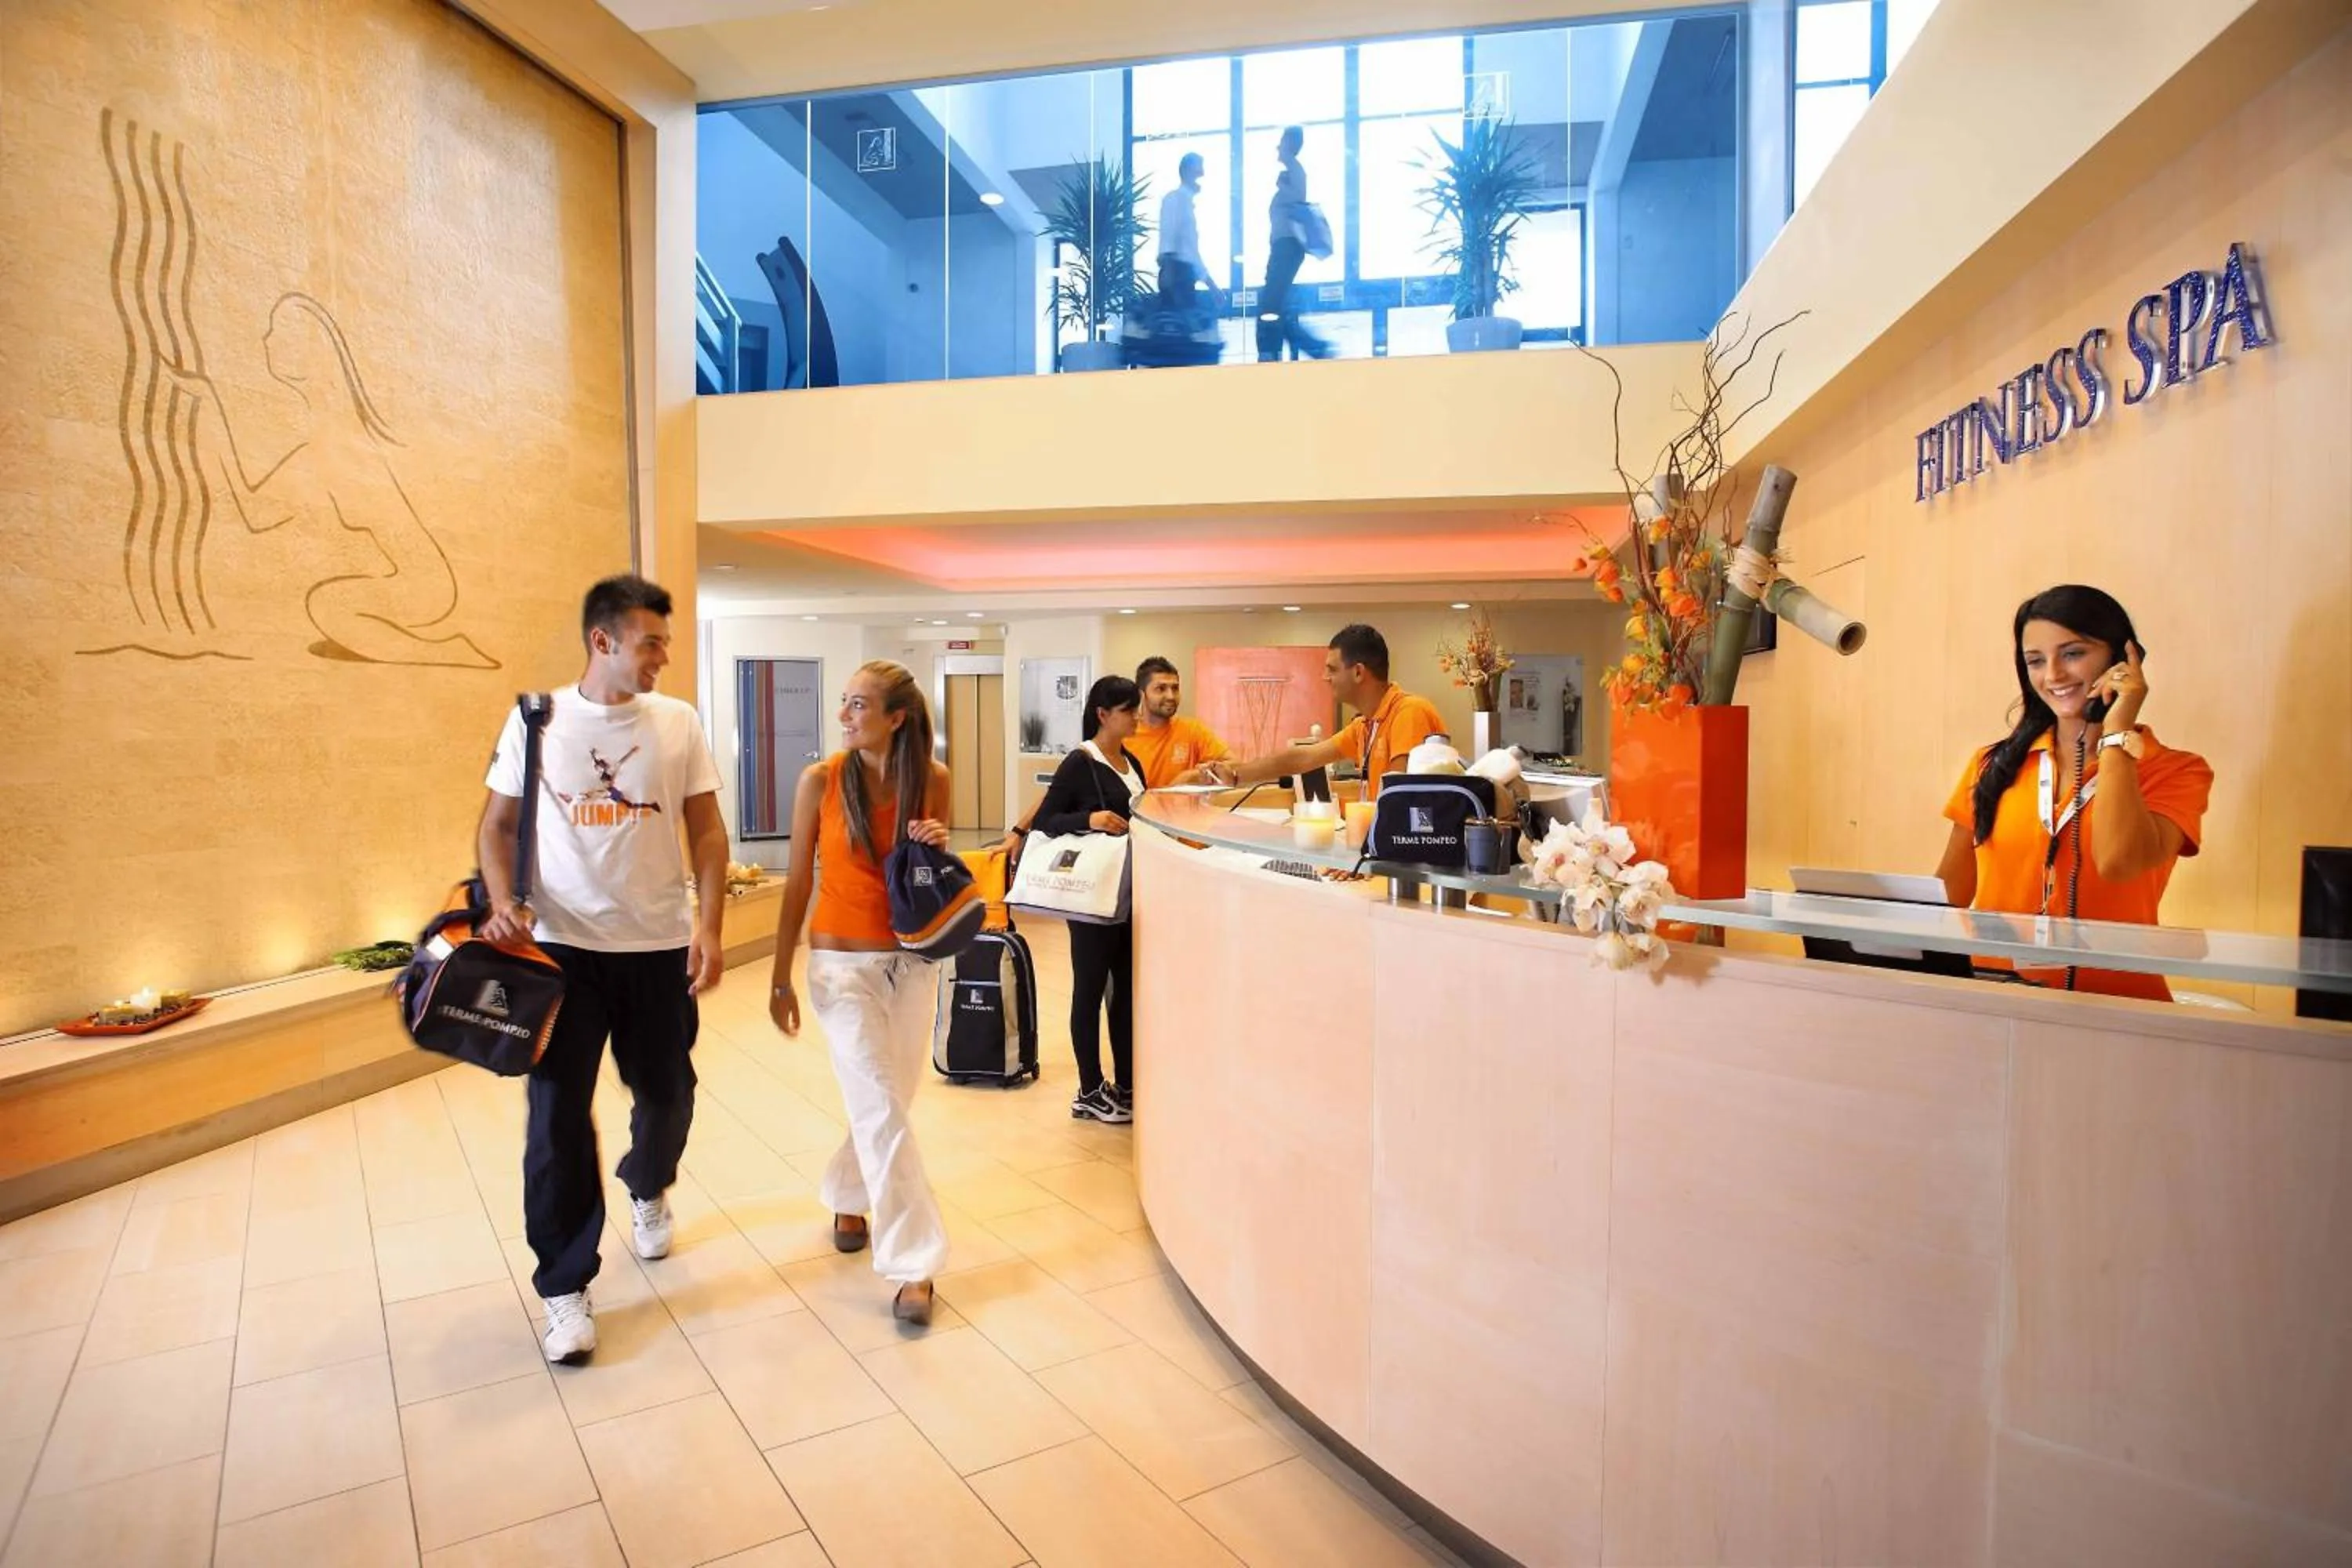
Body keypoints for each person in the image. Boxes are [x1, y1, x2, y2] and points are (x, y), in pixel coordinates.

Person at [477, 575, 728, 1365]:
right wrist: (499, 902)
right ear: (603, 641)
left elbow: (710, 833)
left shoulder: (677, 721)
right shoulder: (536, 720)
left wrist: (710, 925)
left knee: (668, 1094)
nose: (663, 656)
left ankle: (647, 1183)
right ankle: (563, 1286)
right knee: (555, 1118)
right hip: (561, 952)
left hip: (656, 945)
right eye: (651, 641)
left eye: (665, 641)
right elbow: (496, 825)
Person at [768, 662, 956, 1325]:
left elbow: (932, 876)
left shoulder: (931, 781)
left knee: (891, 1100)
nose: (844, 717)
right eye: (844, 704)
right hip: (840, 967)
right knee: (879, 1107)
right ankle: (914, 1264)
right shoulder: (819, 780)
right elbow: (796, 882)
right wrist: (778, 972)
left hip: (912, 963)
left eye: (857, 706)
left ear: (895, 717)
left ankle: (849, 1188)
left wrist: (938, 842)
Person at [1933, 584, 2212, 1001]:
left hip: (2118, 1011)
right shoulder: (1991, 766)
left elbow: (2119, 862)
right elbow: (1945, 902)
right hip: (1995, 1001)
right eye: (2035, 661)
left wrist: (2115, 734)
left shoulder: (2176, 770)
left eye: (2073, 654)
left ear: (2121, 659)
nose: (2053, 676)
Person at [1033, 676, 1146, 1124]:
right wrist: (1092, 818)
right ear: (1103, 714)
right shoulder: (1081, 761)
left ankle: (1126, 1082)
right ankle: (1088, 1088)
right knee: (1090, 988)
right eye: (1129, 709)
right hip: (1090, 896)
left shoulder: (1131, 761)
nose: (1137, 716)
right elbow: (1048, 819)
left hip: (1125, 893)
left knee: (1124, 993)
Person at [1181, 624, 1445, 800]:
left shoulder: (1409, 712)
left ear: (1358, 672)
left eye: (1331, 669)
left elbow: (1398, 800)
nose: (1324, 677)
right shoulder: (1366, 725)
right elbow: (1302, 758)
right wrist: (1237, 776)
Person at [1257, 126, 1334, 362]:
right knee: (1275, 304)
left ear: (1290, 143)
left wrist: (1283, 184)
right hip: (1283, 247)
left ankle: (1281, 352)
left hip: (1288, 247)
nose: (1277, 147)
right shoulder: (1291, 173)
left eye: (1281, 142)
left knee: (1271, 304)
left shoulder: (1296, 173)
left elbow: (1296, 200)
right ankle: (1309, 348)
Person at [1156, 153, 1211, 315]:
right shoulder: (1175, 200)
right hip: (1177, 275)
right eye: (1198, 171)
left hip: (1182, 276)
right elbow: (1170, 240)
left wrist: (1211, 284)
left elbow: (1191, 254)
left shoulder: (1185, 203)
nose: (1202, 174)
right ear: (1186, 171)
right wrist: (1168, 270)